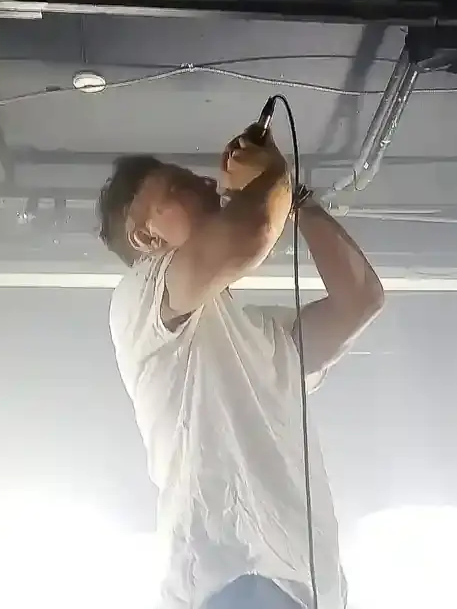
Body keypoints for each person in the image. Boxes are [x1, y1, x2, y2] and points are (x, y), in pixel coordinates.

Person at [97, 124, 384, 609]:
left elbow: (360, 299)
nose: (205, 182)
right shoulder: (139, 299)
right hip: (231, 579)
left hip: (307, 591)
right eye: (179, 186)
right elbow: (252, 232)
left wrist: (295, 197)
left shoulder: (265, 335)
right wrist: (273, 175)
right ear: (146, 236)